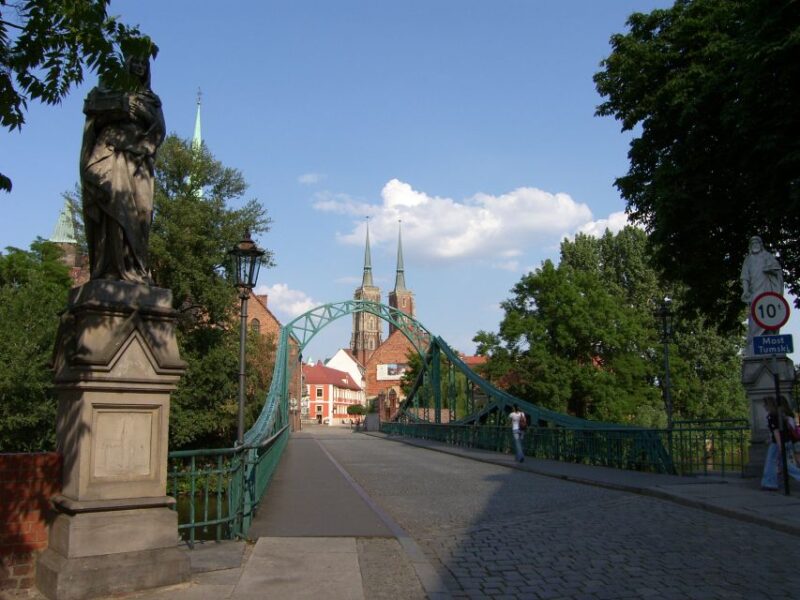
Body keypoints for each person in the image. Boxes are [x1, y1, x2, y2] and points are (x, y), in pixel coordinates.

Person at [80, 53, 165, 284]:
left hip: (139, 160)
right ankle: (112, 269)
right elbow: (93, 120)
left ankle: (137, 268)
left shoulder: (151, 99)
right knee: (115, 208)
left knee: (142, 212)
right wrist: (121, 109)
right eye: (134, 61)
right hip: (112, 154)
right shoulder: (108, 91)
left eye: (142, 63)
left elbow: (159, 131)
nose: (138, 66)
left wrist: (142, 114)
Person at [741, 235, 784, 355]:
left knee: (770, 319)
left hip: (768, 292)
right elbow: (745, 277)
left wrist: (770, 270)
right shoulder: (748, 260)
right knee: (755, 319)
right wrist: (745, 290)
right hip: (755, 293)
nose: (755, 245)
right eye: (752, 243)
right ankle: (755, 344)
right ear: (750, 246)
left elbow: (777, 272)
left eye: (757, 243)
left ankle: (771, 344)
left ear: (761, 245)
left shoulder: (768, 257)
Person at [761, 396, 800, 490]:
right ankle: (770, 483)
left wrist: (779, 445)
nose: (763, 406)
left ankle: (769, 483)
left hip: (778, 444)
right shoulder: (780, 415)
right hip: (787, 441)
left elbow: (776, 432)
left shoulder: (772, 416)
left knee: (771, 462)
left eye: (765, 404)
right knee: (786, 465)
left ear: (768, 405)